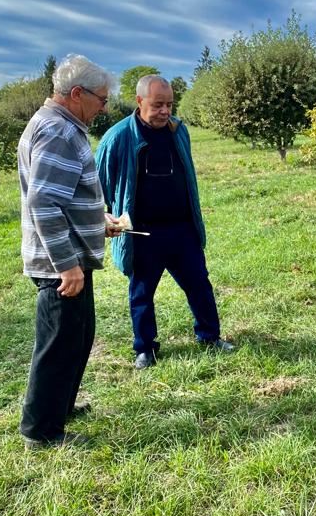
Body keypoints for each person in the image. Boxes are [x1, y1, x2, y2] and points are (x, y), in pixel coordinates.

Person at [96, 75, 233, 369]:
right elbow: (100, 183)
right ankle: (145, 349)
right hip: (142, 233)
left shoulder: (178, 131)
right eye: (158, 105)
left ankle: (210, 336)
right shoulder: (118, 137)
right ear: (139, 101)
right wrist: (108, 214)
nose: (165, 111)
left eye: (169, 104)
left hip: (182, 228)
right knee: (142, 293)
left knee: (200, 284)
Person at [17, 54, 119, 449]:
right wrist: (66, 265)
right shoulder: (59, 131)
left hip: (69, 258)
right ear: (77, 93)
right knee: (59, 344)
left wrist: (96, 219)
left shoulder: (58, 125)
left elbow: (62, 195)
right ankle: (41, 431)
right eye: (101, 99)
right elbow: (44, 203)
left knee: (77, 337)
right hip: (62, 264)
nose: (104, 108)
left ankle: (61, 407)